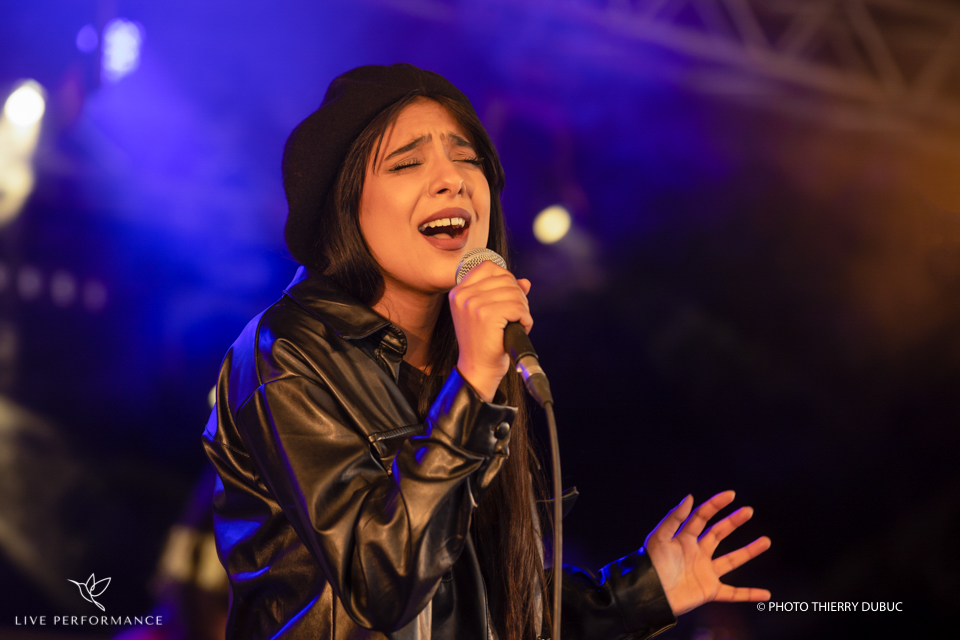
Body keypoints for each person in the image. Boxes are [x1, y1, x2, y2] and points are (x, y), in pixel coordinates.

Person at [202, 63, 771, 640]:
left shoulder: (467, 362)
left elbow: (489, 613)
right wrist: (473, 387)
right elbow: (383, 582)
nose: (452, 180)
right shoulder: (286, 352)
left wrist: (639, 592)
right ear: (345, 203)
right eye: (406, 163)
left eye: (467, 159)